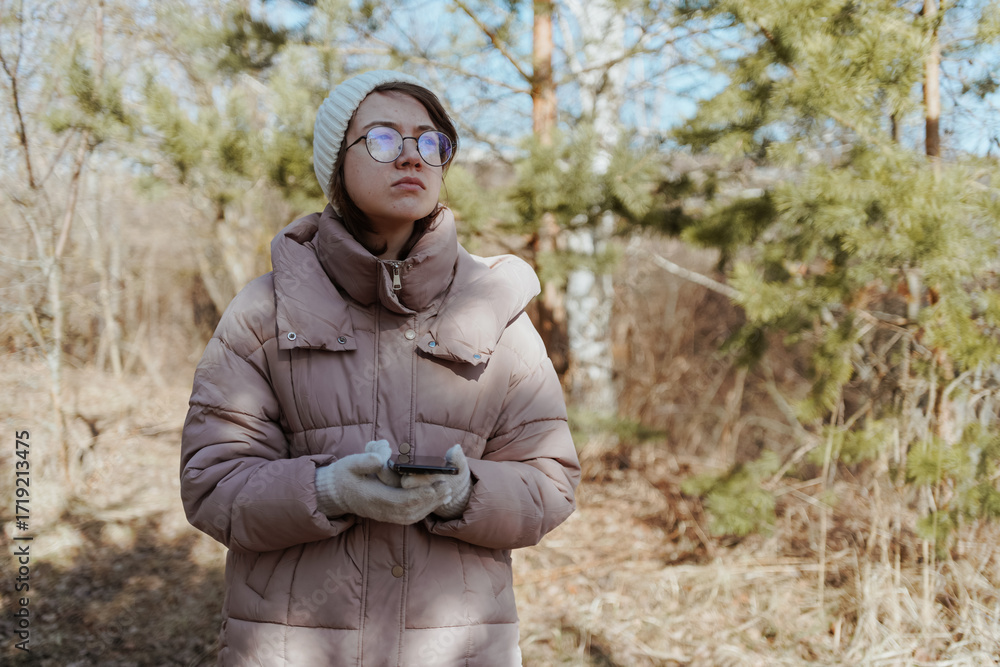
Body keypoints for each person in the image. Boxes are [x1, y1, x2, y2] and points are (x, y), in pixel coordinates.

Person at [179, 69, 580, 666]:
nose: (412, 156)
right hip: (296, 648)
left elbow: (551, 481)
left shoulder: (495, 311)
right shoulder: (266, 310)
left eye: (430, 141)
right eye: (384, 139)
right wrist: (328, 489)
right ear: (337, 163)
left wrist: (464, 492)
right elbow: (212, 483)